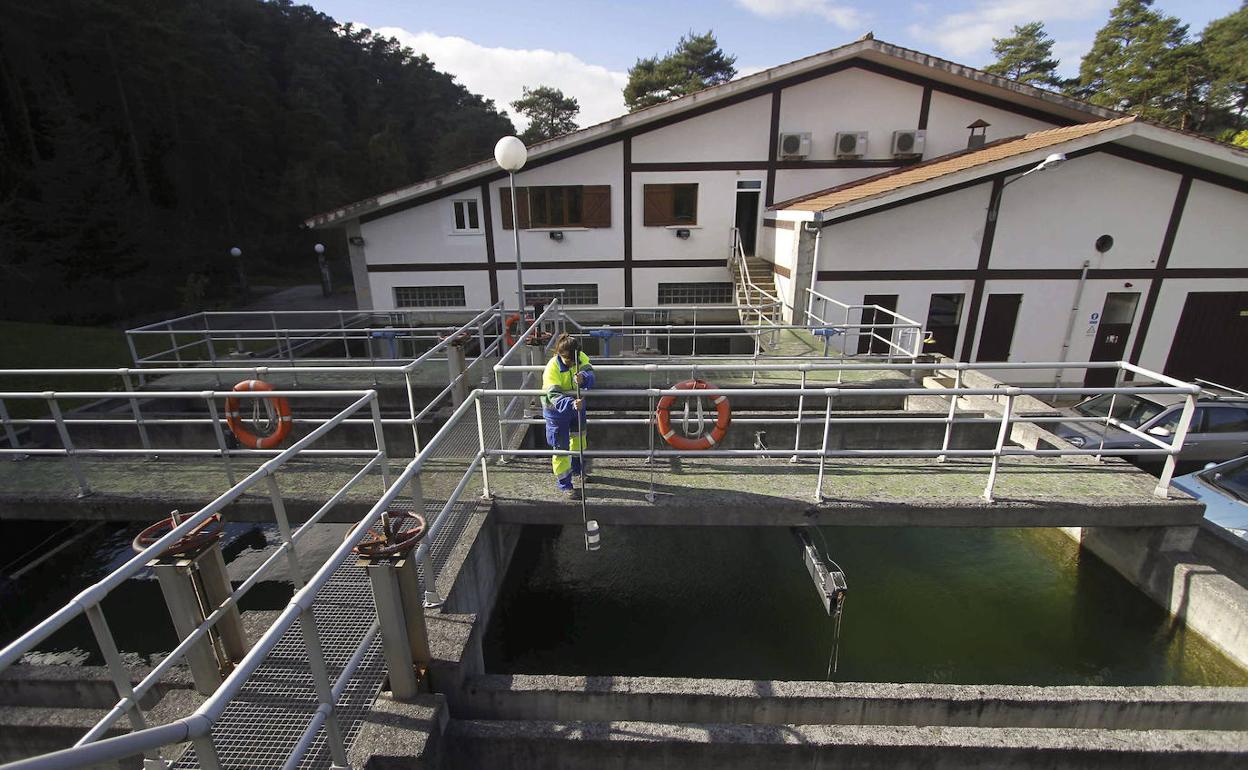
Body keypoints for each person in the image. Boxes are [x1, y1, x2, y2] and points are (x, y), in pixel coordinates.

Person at [542, 333, 595, 499]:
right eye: (568, 361)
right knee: (560, 447)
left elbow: (591, 374)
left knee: (579, 439)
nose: (572, 363)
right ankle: (565, 484)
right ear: (560, 355)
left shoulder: (580, 357)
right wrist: (571, 404)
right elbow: (554, 395)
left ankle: (579, 470)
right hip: (556, 411)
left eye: (574, 359)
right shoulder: (552, 368)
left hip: (576, 407)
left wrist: (584, 378)